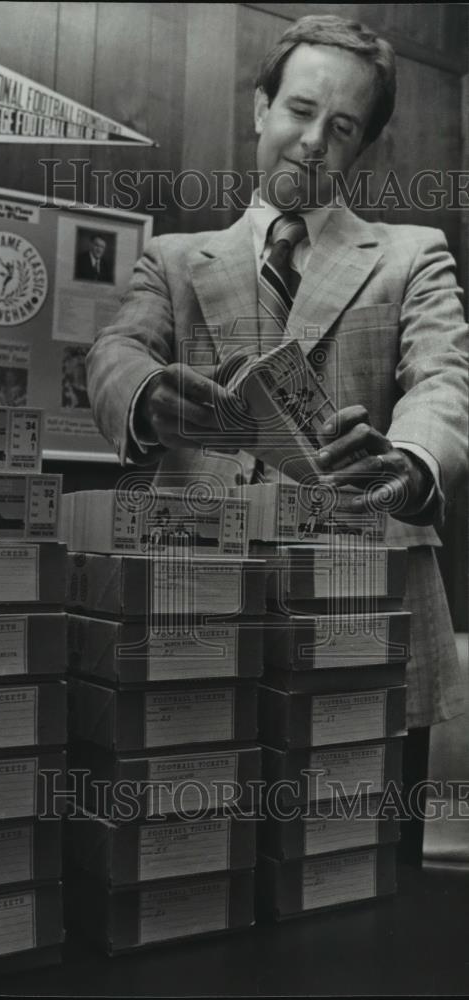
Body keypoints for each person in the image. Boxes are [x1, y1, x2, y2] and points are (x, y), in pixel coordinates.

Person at [86, 15, 469, 862]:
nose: (311, 142)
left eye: (342, 128)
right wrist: (148, 395)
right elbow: (114, 352)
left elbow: (444, 379)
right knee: (192, 861)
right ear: (260, 108)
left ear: (363, 146)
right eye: (299, 109)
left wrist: (408, 464)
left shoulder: (412, 254)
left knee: (367, 872)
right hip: (202, 592)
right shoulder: (178, 259)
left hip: (369, 600)